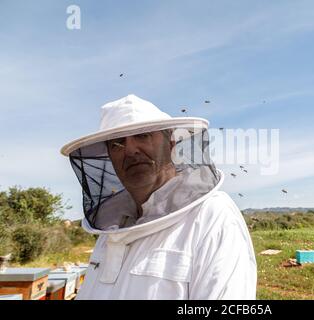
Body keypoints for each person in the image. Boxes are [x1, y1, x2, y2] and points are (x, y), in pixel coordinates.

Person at [60, 94, 257, 299]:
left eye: (142, 135)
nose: (130, 150)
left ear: (170, 144)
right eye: (118, 143)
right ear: (110, 157)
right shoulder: (111, 229)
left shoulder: (212, 216)